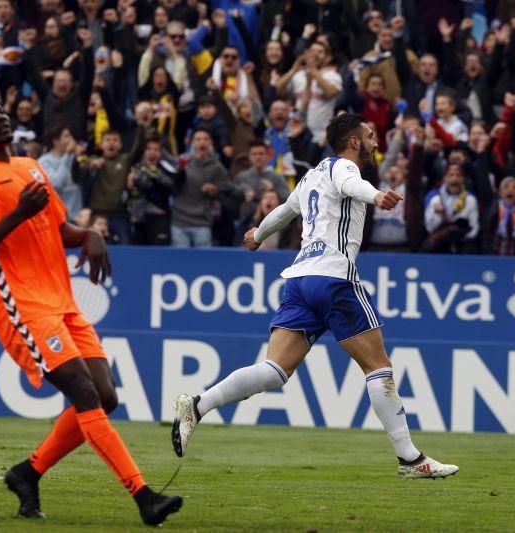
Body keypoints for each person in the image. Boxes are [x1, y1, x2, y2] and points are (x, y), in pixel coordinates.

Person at [171, 113, 458, 479]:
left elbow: (286, 211)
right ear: (353, 141)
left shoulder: (312, 175)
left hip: (299, 279)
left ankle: (197, 405)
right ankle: (410, 460)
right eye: (369, 136)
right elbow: (353, 186)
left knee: (274, 370)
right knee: (378, 367)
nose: (374, 142)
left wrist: (258, 234)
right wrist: (378, 196)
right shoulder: (344, 167)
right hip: (334, 278)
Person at [0, 90, 181, 525]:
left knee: (104, 396)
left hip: (63, 302)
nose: (0, 117)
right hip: (23, 308)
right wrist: (15, 215)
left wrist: (89, 234)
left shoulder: (29, 167)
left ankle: (27, 472)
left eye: (0, 110)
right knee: (86, 394)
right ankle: (143, 495)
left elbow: (58, 227)